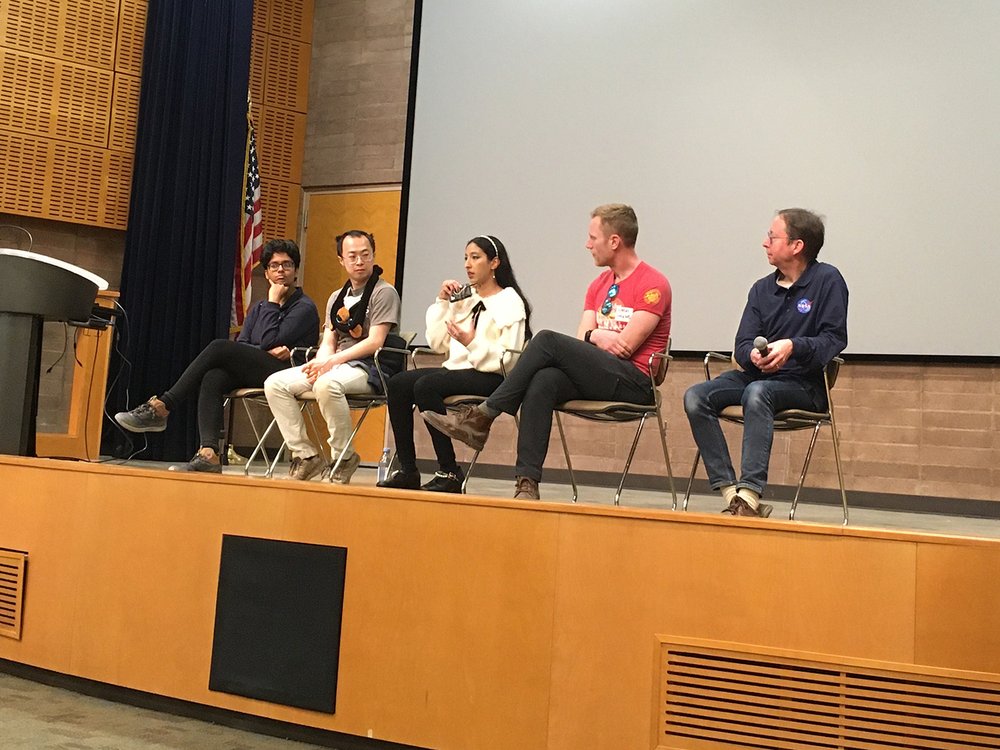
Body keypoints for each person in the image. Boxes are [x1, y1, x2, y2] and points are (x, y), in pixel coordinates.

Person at [422, 204, 671, 500]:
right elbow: (583, 336)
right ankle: (527, 482)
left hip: (634, 381)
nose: (587, 244)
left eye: (593, 238)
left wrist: (595, 335)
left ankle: (483, 416)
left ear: (614, 241)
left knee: (547, 341)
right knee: (544, 380)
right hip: (600, 374)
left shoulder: (653, 284)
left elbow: (626, 346)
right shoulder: (599, 285)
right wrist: (596, 336)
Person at [683, 208, 848, 518]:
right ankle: (730, 491)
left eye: (772, 237)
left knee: (757, 392)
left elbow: (833, 339)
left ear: (797, 246)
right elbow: (743, 344)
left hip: (803, 384)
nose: (765, 242)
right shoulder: (761, 289)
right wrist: (753, 355)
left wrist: (792, 347)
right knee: (696, 396)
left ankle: (750, 494)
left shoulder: (827, 280)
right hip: (757, 378)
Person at [114, 239, 320, 472]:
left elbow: (268, 340)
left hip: (289, 373)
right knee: (214, 375)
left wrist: (273, 306)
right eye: (274, 266)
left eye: (287, 265)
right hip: (261, 368)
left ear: (295, 271)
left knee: (219, 347)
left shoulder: (303, 307)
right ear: (267, 272)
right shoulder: (261, 308)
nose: (281, 271)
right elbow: (244, 344)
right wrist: (264, 346)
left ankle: (163, 406)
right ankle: (209, 453)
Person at [377, 235, 532, 493]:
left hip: (493, 374)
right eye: (465, 258)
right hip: (456, 370)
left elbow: (508, 358)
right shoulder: (466, 298)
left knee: (427, 386)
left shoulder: (510, 301)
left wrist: (472, 342)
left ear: (494, 263)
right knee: (398, 383)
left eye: (475, 257)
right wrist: (442, 303)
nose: (468, 265)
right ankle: (407, 469)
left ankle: (449, 471)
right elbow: (438, 344)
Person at [264, 229, 401, 484]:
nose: (359, 261)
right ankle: (306, 455)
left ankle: (343, 458)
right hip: (337, 363)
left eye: (365, 255)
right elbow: (329, 338)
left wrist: (332, 363)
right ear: (341, 260)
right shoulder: (336, 297)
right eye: (353, 256)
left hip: (369, 366)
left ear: (373, 256)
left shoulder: (384, 293)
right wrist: (320, 362)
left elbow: (375, 341)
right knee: (275, 383)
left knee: (327, 384)